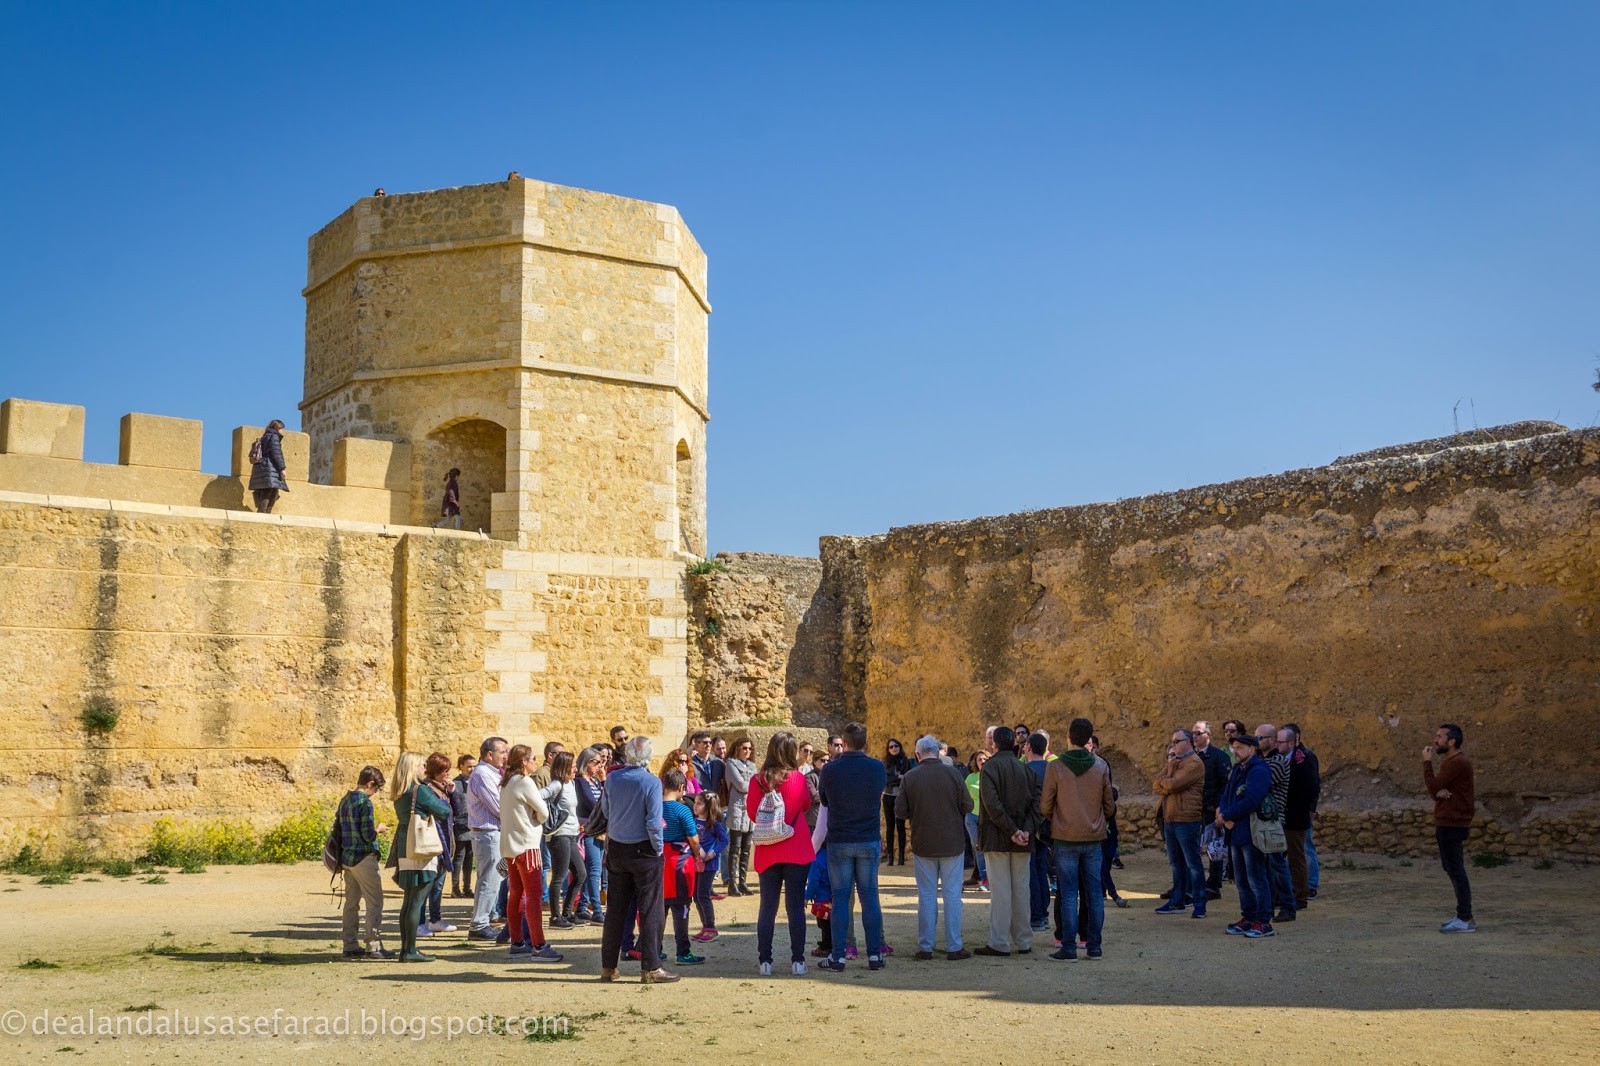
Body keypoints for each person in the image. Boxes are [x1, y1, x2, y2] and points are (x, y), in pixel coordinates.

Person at [600, 736, 677, 983]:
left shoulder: (612, 778)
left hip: (617, 848)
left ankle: (608, 967)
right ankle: (651, 967)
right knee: (651, 909)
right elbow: (654, 822)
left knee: (615, 910)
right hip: (644, 850)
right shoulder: (652, 782)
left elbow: (606, 811)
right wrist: (658, 850)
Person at [1040, 718, 1114, 961]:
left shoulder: (1056, 767)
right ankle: (1095, 946)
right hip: (1093, 838)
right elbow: (1110, 807)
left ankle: (1068, 947)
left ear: (1069, 736)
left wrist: (1060, 817)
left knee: (1069, 893)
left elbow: (1045, 806)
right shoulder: (1101, 766)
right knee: (1094, 893)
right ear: (1090, 739)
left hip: (1065, 837)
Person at [818, 721, 887, 971]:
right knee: (870, 898)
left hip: (840, 839)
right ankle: (875, 955)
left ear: (843, 743)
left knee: (840, 898)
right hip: (867, 838)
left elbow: (824, 800)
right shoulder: (877, 768)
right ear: (865, 743)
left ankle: (838, 956)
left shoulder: (831, 770)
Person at [897, 735, 972, 960]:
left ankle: (925, 946)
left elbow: (900, 812)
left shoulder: (910, 777)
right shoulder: (953, 774)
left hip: (924, 844)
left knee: (926, 896)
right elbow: (968, 805)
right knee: (952, 896)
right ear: (939, 753)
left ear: (918, 754)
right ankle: (954, 946)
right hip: (952, 843)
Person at [748, 731, 815, 976]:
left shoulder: (757, 780)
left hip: (768, 849)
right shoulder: (798, 778)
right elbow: (806, 806)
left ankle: (765, 961)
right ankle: (798, 961)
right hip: (796, 846)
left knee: (768, 907)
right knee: (795, 907)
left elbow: (753, 814)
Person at [974, 726, 1038, 958]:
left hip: (997, 837)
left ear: (995, 744)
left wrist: (1013, 831)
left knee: (1001, 890)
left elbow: (992, 805)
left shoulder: (990, 768)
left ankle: (999, 941)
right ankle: (1023, 940)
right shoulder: (1026, 770)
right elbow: (1036, 806)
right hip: (1021, 837)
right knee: (1021, 889)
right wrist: (1025, 831)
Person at [500, 744, 562, 962]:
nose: (536, 762)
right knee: (534, 896)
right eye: (533, 758)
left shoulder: (507, 782)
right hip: (527, 845)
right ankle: (538, 944)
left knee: (516, 893)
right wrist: (536, 818)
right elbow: (543, 812)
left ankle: (517, 941)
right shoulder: (525, 782)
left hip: (510, 845)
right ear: (524, 761)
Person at [391, 751, 452, 962]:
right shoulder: (420, 790)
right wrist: (446, 793)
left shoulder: (400, 791)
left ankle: (406, 948)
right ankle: (410, 951)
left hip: (405, 847)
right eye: (422, 765)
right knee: (416, 902)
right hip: (421, 849)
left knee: (408, 902)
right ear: (414, 767)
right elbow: (444, 812)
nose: (425, 768)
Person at [1218, 732, 1275, 938]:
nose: (1235, 751)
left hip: (1251, 832)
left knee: (1256, 878)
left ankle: (1264, 921)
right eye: (1234, 747)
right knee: (1241, 879)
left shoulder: (1258, 769)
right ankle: (1249, 917)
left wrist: (1227, 814)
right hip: (1236, 832)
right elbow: (1227, 794)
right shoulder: (1237, 769)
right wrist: (1224, 812)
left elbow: (1252, 799)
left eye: (1240, 748)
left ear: (1252, 749)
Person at [1424, 724, 1477, 933]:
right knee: (1452, 868)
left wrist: (1427, 763)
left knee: (1456, 869)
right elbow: (1434, 789)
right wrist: (1437, 791)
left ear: (1451, 741)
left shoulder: (1457, 763)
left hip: (1452, 822)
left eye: (1439, 736)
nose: (1435, 740)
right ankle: (1463, 916)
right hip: (1448, 821)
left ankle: (1465, 918)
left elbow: (1433, 785)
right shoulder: (1453, 763)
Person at [335, 765, 390, 959]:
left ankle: (349, 944)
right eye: (376, 789)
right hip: (364, 858)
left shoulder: (345, 799)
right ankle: (373, 946)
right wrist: (379, 829)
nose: (375, 793)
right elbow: (367, 835)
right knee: (374, 902)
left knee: (351, 903)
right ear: (370, 784)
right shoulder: (364, 803)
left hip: (347, 858)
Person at [1153, 728, 1207, 918]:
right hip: (1171, 818)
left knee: (1193, 863)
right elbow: (1156, 782)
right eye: (1173, 741)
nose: (1174, 744)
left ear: (1188, 741)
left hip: (1187, 820)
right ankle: (1177, 901)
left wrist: (1166, 783)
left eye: (1177, 741)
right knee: (1176, 863)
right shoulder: (1175, 763)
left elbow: (1173, 784)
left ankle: (1199, 903)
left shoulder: (1194, 764)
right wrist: (1168, 778)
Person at [659, 768, 707, 967]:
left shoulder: (654, 808)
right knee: (681, 908)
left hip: (659, 861)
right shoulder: (682, 810)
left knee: (659, 908)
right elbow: (694, 839)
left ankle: (655, 949)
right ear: (681, 787)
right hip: (680, 863)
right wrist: (698, 856)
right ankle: (683, 952)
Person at [467, 737, 509, 940]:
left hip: (494, 834)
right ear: (489, 754)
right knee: (488, 880)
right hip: (488, 834)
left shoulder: (493, 774)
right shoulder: (483, 774)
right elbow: (498, 807)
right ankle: (479, 924)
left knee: (495, 878)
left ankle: (483, 920)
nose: (505, 756)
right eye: (502, 751)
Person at [1255, 723, 1297, 924]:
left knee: (1278, 866)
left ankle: (1288, 907)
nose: (1257, 742)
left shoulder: (1278, 761)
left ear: (1272, 740)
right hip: (1261, 822)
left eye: (1260, 738)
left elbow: (1258, 784)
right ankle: (1268, 907)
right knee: (1266, 868)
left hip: (1273, 823)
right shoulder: (1263, 761)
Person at [1279, 725, 1320, 911]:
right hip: (1282, 816)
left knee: (1298, 856)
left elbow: (1312, 787)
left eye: (1280, 742)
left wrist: (1308, 809)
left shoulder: (1303, 759)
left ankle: (1301, 894)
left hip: (1296, 816)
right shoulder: (1280, 759)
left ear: (1291, 741)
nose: (1276, 744)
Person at [544, 751, 586, 929]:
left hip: (570, 835)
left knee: (580, 874)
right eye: (573, 765)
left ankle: (567, 913)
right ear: (564, 767)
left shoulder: (571, 784)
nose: (576, 768)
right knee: (559, 877)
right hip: (559, 835)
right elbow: (537, 797)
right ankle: (555, 917)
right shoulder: (556, 784)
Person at [420, 753, 459, 936]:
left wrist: (452, 793)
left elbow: (457, 812)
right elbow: (443, 813)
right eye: (444, 771)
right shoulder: (427, 789)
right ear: (435, 772)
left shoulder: (443, 789)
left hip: (445, 842)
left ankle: (435, 919)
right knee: (426, 885)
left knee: (438, 885)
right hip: (433, 842)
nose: (448, 774)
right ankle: (420, 922)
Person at [1193, 720, 1230, 900]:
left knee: (1214, 848)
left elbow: (1226, 784)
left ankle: (1214, 885)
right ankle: (1192, 884)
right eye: (1193, 733)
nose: (1195, 736)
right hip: (1192, 810)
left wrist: (1219, 806)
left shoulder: (1218, 757)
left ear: (1208, 735)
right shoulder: (1190, 756)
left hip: (1210, 809)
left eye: (1198, 733)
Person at [572, 745, 607, 924]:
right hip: (589, 831)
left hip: (599, 830)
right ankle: (598, 910)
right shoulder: (581, 782)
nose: (600, 766)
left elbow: (607, 801)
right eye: (597, 763)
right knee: (594, 871)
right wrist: (603, 784)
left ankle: (582, 906)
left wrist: (602, 782)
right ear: (587, 763)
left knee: (594, 870)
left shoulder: (594, 781)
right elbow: (594, 805)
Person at [1023, 732, 1054, 933]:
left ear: (1028, 747)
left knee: (1032, 871)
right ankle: (1043, 914)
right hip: (1049, 828)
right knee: (1041, 870)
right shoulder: (1053, 769)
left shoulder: (1025, 771)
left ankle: (1036, 915)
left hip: (1030, 827)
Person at [722, 737, 757, 896]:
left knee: (746, 849)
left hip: (749, 812)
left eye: (750, 748)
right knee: (734, 849)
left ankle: (743, 882)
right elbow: (742, 786)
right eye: (744, 748)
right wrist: (755, 784)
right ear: (737, 748)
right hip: (737, 810)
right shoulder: (731, 764)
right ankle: (732, 883)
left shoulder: (752, 765)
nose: (747, 751)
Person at [691, 791, 728, 943]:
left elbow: (724, 841)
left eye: (699, 803)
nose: (695, 806)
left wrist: (713, 853)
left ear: (708, 806)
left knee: (703, 895)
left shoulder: (714, 824)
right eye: (695, 803)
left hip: (709, 865)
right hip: (696, 864)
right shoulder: (693, 821)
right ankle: (705, 927)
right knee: (696, 896)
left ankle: (711, 928)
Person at [248, 419, 289, 514]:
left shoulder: (265, 437)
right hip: (270, 468)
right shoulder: (274, 437)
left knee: (272, 491)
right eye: (282, 429)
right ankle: (263, 513)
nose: (283, 431)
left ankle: (265, 512)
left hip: (263, 467)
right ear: (277, 428)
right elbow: (277, 453)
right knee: (269, 491)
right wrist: (282, 468)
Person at [881, 738, 912, 865]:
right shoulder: (885, 763)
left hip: (900, 796)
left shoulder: (905, 761)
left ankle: (901, 857)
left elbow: (907, 777)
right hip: (888, 795)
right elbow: (885, 779)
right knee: (890, 826)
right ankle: (890, 857)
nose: (894, 748)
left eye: (896, 746)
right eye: (891, 747)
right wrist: (898, 777)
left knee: (900, 826)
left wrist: (895, 778)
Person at [450, 754, 476, 898]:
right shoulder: (456, 783)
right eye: (469, 766)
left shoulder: (475, 782)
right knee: (459, 857)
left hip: (473, 826)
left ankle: (467, 888)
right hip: (461, 825)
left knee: (469, 858)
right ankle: (455, 888)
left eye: (474, 766)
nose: (472, 769)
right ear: (461, 767)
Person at [963, 751, 989, 890]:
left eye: (985, 758)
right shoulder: (970, 778)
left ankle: (992, 879)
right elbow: (964, 797)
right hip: (973, 817)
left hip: (989, 818)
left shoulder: (993, 776)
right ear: (975, 762)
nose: (982, 761)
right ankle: (985, 880)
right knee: (978, 848)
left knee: (989, 849)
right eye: (979, 759)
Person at [691, 731, 724, 797]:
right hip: (699, 802)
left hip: (716, 802)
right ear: (697, 745)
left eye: (710, 742)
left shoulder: (718, 762)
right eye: (705, 742)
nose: (708, 745)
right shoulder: (691, 764)